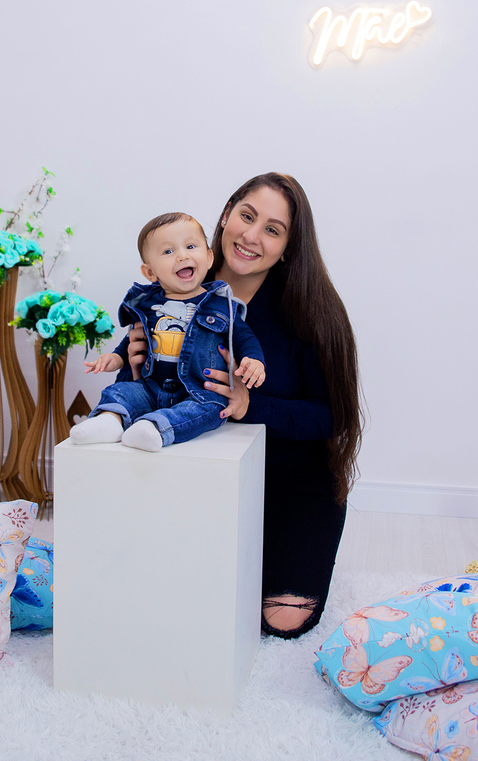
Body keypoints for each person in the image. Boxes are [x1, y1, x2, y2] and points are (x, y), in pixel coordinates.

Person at [118, 174, 363, 639]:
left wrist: (250, 404)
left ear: (287, 247)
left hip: (291, 481)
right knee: (172, 604)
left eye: (272, 229)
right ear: (227, 214)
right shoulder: (174, 282)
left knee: (281, 619)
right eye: (247, 216)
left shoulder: (310, 309)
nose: (251, 236)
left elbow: (332, 417)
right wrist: (132, 367)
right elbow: (138, 394)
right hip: (196, 479)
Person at [71, 212, 266, 452]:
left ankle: (156, 428)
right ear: (150, 272)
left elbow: (244, 337)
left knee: (214, 408)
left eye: (190, 246)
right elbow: (132, 339)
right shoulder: (147, 304)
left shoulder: (221, 304)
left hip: (198, 392)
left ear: (208, 258)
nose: (182, 255)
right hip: (150, 387)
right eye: (168, 251)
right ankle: (110, 421)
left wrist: (253, 360)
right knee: (121, 391)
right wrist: (115, 358)